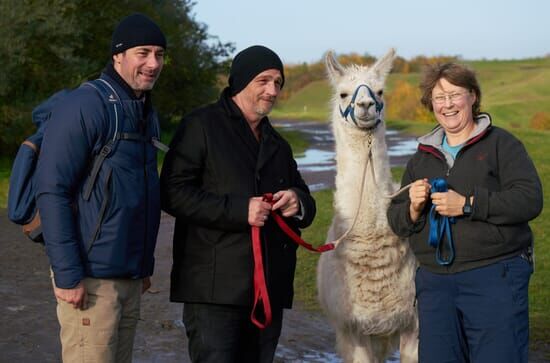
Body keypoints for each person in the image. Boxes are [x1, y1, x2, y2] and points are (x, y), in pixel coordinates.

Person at [160, 45, 316, 363]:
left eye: (278, 82)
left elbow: (307, 203)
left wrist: (296, 202)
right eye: (263, 80)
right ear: (241, 80)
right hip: (214, 290)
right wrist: (239, 210)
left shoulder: (279, 145)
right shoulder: (200, 126)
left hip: (268, 290)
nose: (272, 91)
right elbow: (172, 192)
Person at [387, 62, 543, 363]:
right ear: (430, 104)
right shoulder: (421, 158)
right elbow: (396, 221)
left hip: (495, 275)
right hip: (435, 285)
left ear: (472, 96)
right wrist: (413, 208)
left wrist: (468, 204)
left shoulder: (502, 144)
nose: (447, 105)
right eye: (439, 97)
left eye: (455, 94)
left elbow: (529, 200)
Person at [36, 13, 166, 362]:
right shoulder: (85, 105)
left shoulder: (144, 111)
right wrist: (67, 275)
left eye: (159, 54)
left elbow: (141, 194)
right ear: (118, 55)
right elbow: (52, 190)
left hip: (129, 277)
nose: (153, 63)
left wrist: (143, 266)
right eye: (143, 52)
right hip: (90, 281)